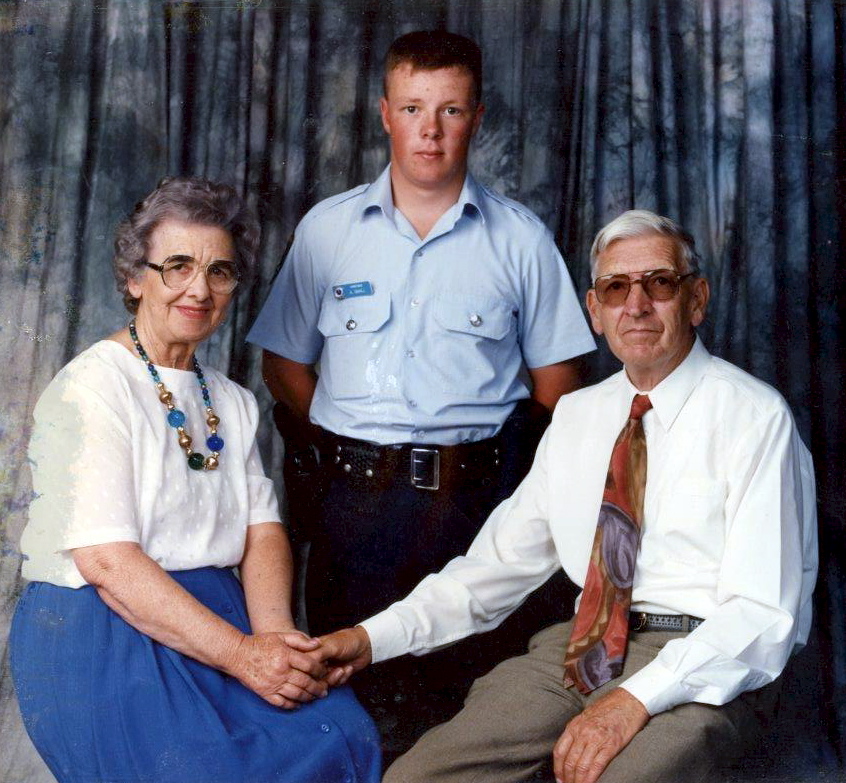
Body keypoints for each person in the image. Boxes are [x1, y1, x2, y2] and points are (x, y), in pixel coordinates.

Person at [317, 209, 819, 783]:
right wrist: (367, 639)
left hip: (706, 659)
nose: (636, 306)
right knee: (417, 776)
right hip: (581, 646)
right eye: (615, 288)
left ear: (696, 299)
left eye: (658, 283)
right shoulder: (579, 415)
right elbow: (493, 570)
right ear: (595, 312)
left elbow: (761, 616)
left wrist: (636, 700)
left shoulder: (755, 416)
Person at [246, 29, 595, 733]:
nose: (429, 132)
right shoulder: (328, 230)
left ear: (478, 116)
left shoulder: (520, 238)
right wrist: (355, 438)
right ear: (384, 114)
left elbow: (560, 380)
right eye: (412, 109)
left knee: (472, 705)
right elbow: (281, 361)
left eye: (451, 111)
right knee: (352, 698)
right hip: (355, 506)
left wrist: (496, 472)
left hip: (476, 505)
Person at [10, 176, 380, 783]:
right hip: (104, 628)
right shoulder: (91, 387)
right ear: (135, 279)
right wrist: (242, 657)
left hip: (219, 616)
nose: (199, 289)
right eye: (176, 266)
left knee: (343, 734)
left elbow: (263, 533)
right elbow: (106, 561)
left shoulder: (233, 401)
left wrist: (276, 643)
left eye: (220, 271)